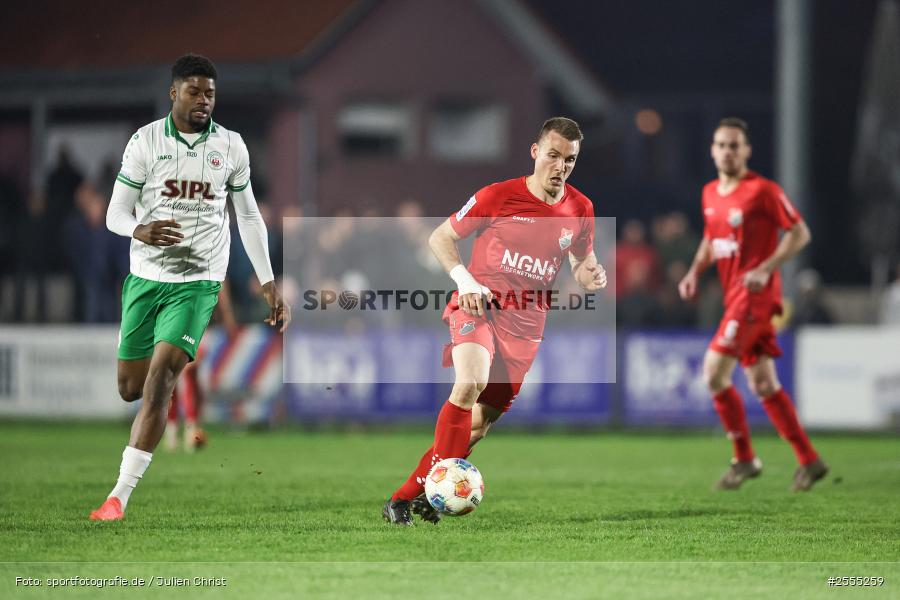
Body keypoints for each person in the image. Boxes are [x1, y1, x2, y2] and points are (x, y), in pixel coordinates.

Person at [89, 54, 290, 521]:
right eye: (194, 92)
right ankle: (166, 392)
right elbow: (114, 213)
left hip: (199, 281)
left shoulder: (231, 146)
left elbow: (248, 216)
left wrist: (267, 281)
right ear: (173, 94)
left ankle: (117, 497)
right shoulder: (145, 142)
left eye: (210, 93)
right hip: (146, 278)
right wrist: (139, 228)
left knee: (162, 377)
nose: (204, 101)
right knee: (130, 388)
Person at [383, 117, 607, 525]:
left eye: (570, 160)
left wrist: (590, 274)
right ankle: (425, 494)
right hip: (478, 307)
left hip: (527, 329)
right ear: (536, 152)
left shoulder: (581, 208)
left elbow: (580, 259)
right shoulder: (497, 196)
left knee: (479, 425)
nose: (560, 166)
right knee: (470, 382)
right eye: (553, 155)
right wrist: (465, 280)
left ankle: (409, 497)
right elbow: (440, 237)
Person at [678, 117, 827, 492]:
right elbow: (712, 239)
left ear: (746, 150)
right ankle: (809, 462)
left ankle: (744, 458)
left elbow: (800, 232)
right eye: (722, 145)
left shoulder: (762, 190)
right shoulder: (710, 192)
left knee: (714, 372)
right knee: (762, 383)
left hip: (756, 298)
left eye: (735, 145)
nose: (728, 151)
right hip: (734, 296)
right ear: (712, 150)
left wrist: (767, 267)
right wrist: (695, 271)